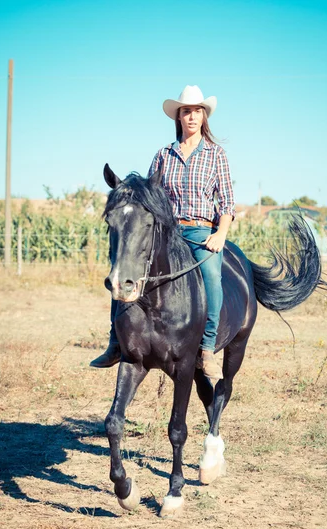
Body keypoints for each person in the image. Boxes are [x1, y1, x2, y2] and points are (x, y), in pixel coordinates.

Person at [91, 85, 235, 378]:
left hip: (199, 232)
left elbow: (228, 200)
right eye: (186, 111)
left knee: (212, 279)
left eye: (197, 111)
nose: (192, 116)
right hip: (166, 232)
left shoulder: (216, 154)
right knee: (124, 270)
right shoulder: (163, 155)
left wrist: (220, 233)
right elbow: (148, 194)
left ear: (204, 116)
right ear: (178, 117)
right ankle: (116, 342)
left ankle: (207, 349)